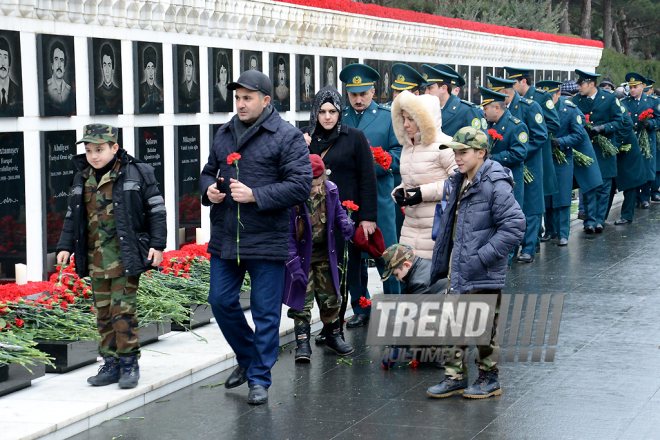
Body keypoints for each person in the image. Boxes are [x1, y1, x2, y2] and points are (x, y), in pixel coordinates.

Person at [200, 70, 312, 405]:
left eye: (248, 97)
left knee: (265, 313)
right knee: (220, 300)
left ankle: (260, 378)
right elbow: (208, 171)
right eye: (237, 97)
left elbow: (300, 185)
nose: (241, 103)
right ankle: (249, 358)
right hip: (226, 236)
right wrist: (209, 190)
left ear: (266, 100)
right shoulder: (224, 133)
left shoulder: (286, 136)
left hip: (266, 238)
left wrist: (256, 195)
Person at [55, 124, 167, 389]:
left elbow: (156, 210)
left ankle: (129, 363)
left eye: (100, 149)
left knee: (122, 312)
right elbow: (73, 216)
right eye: (89, 150)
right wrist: (64, 246)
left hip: (125, 257)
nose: (94, 155)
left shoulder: (136, 172)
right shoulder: (81, 177)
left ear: (114, 148)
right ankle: (111, 363)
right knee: (103, 313)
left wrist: (158, 244)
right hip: (95, 260)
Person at [427, 127, 525, 399]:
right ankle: (454, 376)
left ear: (481, 153)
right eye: (455, 152)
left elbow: (515, 226)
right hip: (459, 267)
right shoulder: (460, 180)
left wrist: (482, 258)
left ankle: (489, 378)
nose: (457, 158)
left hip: (482, 270)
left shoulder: (494, 182)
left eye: (464, 152)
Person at [300, 85, 378, 342]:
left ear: (339, 112)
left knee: (342, 273)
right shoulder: (307, 138)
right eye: (322, 111)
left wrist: (367, 217)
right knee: (322, 274)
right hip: (315, 218)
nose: (327, 117)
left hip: (345, 216)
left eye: (332, 111)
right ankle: (328, 327)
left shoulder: (354, 136)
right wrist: (300, 145)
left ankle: (334, 328)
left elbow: (367, 178)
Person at [339, 63, 402, 327]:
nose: (359, 99)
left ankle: (395, 307)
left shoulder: (387, 118)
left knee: (385, 253)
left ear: (373, 91)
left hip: (380, 198)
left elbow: (399, 155)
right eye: (353, 94)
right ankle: (361, 307)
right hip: (351, 200)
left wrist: (379, 162)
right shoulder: (340, 119)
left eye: (363, 93)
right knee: (353, 256)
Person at [286, 154, 355, 362]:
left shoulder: (331, 190)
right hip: (302, 258)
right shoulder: (292, 197)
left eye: (318, 184)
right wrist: (293, 265)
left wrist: (345, 223)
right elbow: (287, 234)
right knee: (302, 302)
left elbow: (339, 212)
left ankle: (333, 336)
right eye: (310, 185)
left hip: (326, 254)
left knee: (330, 296)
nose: (314, 189)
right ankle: (303, 344)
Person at [487, 75, 547, 263]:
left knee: (530, 205)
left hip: (527, 163)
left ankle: (529, 246)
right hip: (509, 165)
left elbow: (540, 135)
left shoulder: (529, 107)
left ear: (505, 93)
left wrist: (520, 155)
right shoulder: (495, 116)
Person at [390, 91, 456, 259]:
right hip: (410, 228)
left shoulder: (445, 145)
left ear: (425, 120)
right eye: (403, 119)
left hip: (435, 229)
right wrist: (400, 190)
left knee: (430, 282)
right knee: (410, 279)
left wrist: (423, 193)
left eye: (411, 119)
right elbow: (412, 180)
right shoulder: (408, 146)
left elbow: (458, 183)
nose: (405, 124)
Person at [573, 70, 624, 233]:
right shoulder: (576, 100)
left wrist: (603, 128)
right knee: (588, 185)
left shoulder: (609, 98)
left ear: (592, 84)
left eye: (581, 84)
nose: (578, 87)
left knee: (604, 186)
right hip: (586, 149)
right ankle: (589, 219)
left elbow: (618, 121)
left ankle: (600, 219)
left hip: (604, 149)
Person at [537, 80, 579, 245]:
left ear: (558, 94)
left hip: (562, 159)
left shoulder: (569, 110)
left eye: (551, 96)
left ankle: (563, 233)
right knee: (547, 195)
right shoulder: (538, 108)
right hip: (546, 158)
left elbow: (578, 134)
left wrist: (561, 141)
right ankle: (550, 230)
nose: (548, 100)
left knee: (562, 197)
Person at [479, 87, 528, 212]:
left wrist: (493, 158)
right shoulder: (487, 124)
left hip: (508, 182)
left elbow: (519, 153)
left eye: (486, 108)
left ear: (497, 108)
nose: (483, 112)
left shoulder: (516, 126)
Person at [622, 73, 659, 211]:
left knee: (647, 169)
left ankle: (645, 197)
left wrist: (650, 123)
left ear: (642, 87)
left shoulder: (653, 101)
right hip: (631, 141)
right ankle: (636, 197)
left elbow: (659, 119)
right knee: (634, 170)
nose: (632, 90)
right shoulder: (625, 103)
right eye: (630, 87)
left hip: (647, 141)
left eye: (635, 87)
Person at [423, 64, 486, 137]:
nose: (426, 92)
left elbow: (478, 143)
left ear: (443, 89)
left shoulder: (467, 110)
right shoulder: (428, 110)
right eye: (425, 88)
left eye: (430, 88)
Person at [380, 243, 445, 295]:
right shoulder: (426, 262)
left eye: (396, 274)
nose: (397, 279)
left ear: (407, 265)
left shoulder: (418, 283)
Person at [45, 40, 74, 115]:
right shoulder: (47, 87)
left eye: (61, 60)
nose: (59, 65)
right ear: (52, 65)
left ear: (64, 66)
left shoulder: (69, 90)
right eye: (56, 59)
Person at [95, 43, 122, 115]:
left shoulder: (117, 88)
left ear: (113, 68)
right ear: (101, 67)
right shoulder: (98, 90)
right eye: (104, 65)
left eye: (109, 65)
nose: (107, 70)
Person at [0, 36, 22, 117]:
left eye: (5, 57)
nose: (2, 63)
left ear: (9, 63)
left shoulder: (19, 91)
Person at [139, 46, 163, 114]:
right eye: (148, 67)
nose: (150, 71)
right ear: (145, 70)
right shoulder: (140, 89)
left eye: (152, 67)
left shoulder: (158, 92)